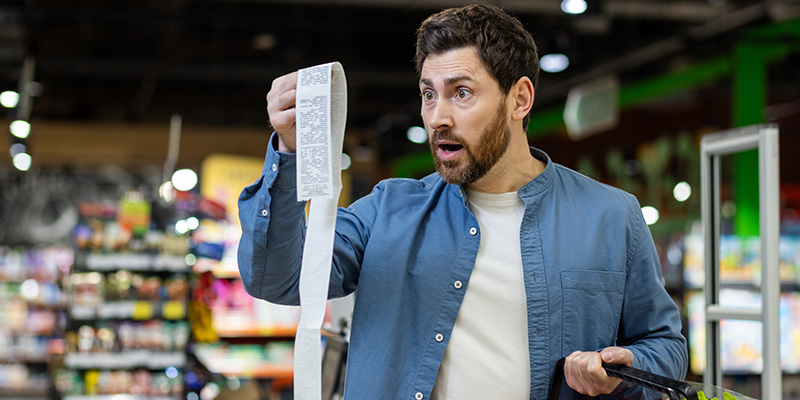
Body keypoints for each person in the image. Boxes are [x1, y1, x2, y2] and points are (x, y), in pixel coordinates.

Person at [238, 4, 687, 399]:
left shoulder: (610, 216)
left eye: (462, 92)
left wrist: (621, 369)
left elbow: (665, 346)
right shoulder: (387, 211)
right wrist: (290, 153)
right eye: (429, 94)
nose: (438, 117)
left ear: (520, 99)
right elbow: (275, 279)